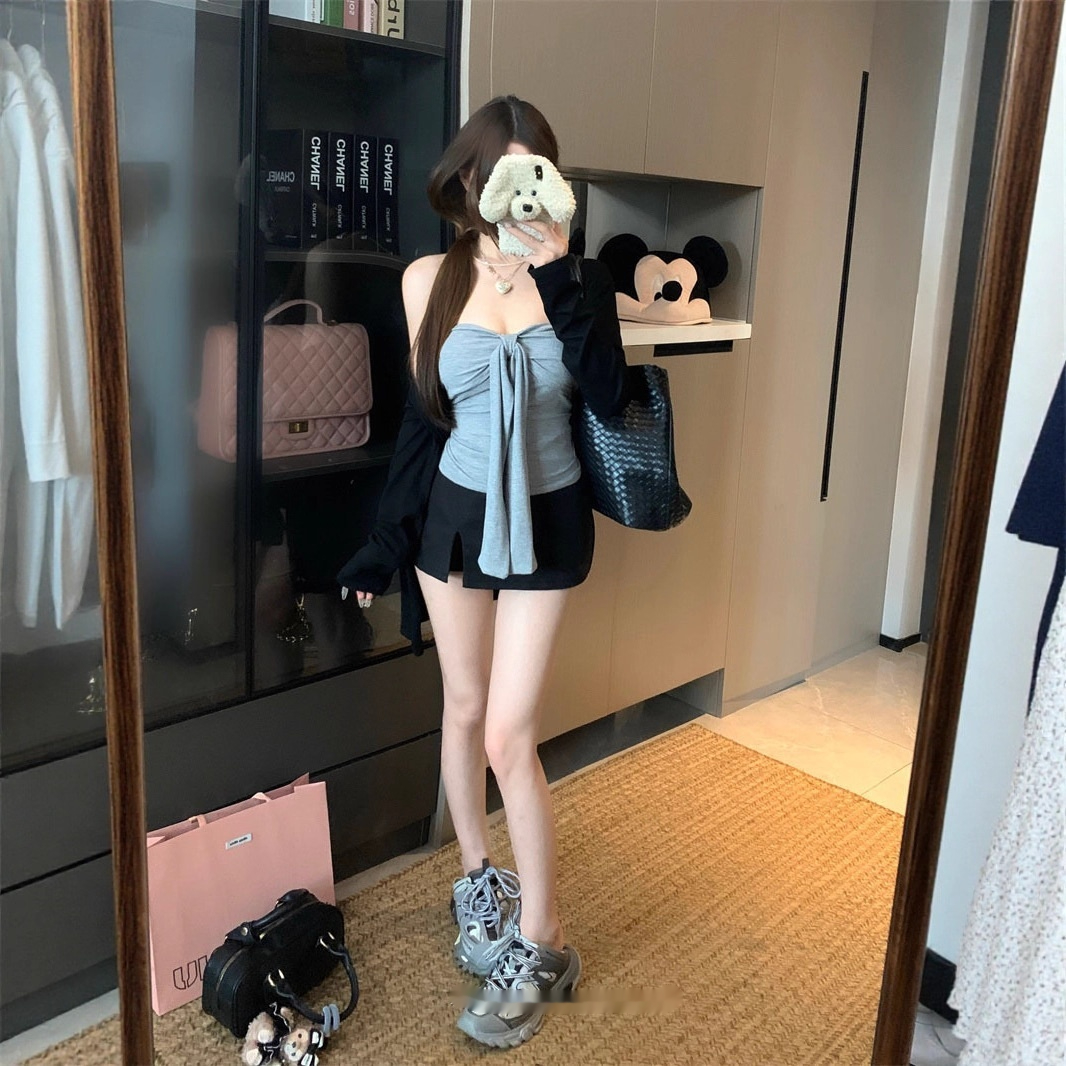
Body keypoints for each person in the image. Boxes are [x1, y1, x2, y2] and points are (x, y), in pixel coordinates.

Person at [337, 94, 632, 1049]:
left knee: (510, 733)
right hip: (454, 523)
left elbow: (612, 398)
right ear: (467, 180)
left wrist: (562, 275)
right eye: (497, 172)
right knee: (464, 708)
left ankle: (545, 940)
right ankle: (478, 879)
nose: (515, 190)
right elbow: (423, 424)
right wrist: (386, 542)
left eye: (533, 172)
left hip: (549, 524)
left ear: (552, 181)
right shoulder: (429, 279)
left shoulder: (579, 278)